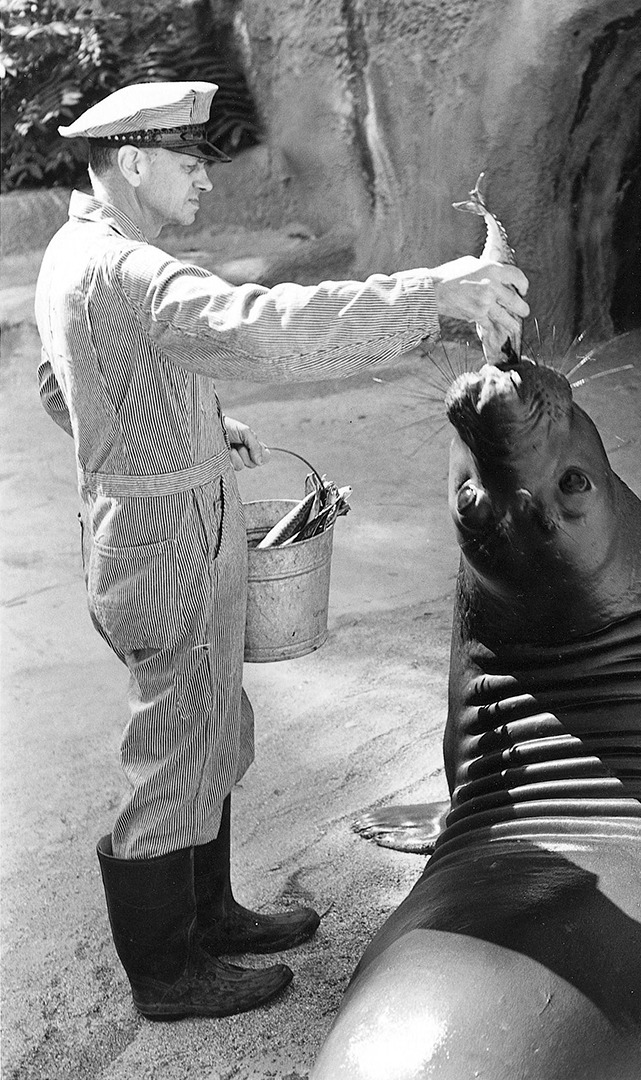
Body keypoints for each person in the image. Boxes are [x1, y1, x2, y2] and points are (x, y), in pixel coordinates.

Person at [34, 80, 529, 1021]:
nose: (205, 187)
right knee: (173, 741)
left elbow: (63, 387)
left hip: (150, 520)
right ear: (133, 163)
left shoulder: (73, 252)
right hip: (166, 539)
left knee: (210, 721)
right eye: (189, 166)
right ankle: (167, 975)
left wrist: (180, 436)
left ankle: (209, 914)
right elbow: (268, 331)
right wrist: (435, 294)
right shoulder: (135, 274)